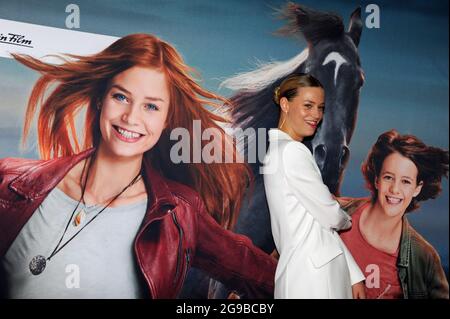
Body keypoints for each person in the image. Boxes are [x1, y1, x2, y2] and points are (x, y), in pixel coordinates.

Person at [0, 33, 276, 299]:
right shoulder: (10, 182)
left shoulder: (180, 214)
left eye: (151, 107)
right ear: (101, 99)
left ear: (167, 119)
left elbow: (269, 278)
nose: (131, 117)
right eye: (121, 97)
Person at [262, 73, 365, 298]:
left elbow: (318, 223)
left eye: (320, 107)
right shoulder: (292, 152)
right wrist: (342, 214)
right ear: (284, 104)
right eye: (308, 106)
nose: (316, 115)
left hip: (310, 274)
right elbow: (330, 216)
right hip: (313, 279)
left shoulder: (280, 151)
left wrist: (353, 273)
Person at [339, 130, 449, 299]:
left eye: (406, 181)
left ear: (417, 188)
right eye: (389, 177)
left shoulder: (423, 257)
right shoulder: (334, 212)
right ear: (377, 179)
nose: (395, 189)